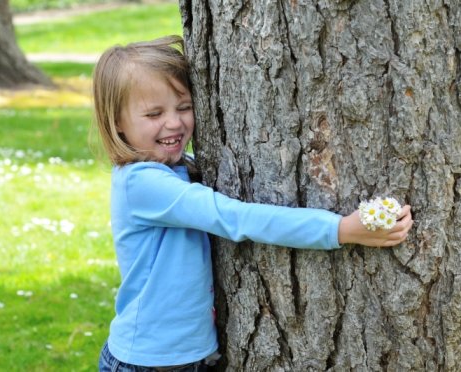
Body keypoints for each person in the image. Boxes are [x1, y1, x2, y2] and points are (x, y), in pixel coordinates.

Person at [92, 35, 414, 371]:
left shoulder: (172, 170)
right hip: (146, 362)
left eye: (184, 107)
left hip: (182, 358)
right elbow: (237, 218)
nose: (174, 122)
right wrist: (339, 229)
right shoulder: (143, 183)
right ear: (117, 122)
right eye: (154, 113)